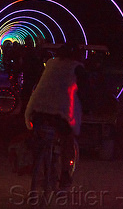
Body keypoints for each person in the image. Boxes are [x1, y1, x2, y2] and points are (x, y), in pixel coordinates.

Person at [25, 42, 88, 189]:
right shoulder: (77, 68)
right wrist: (87, 106)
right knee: (67, 139)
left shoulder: (50, 64)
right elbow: (85, 92)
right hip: (60, 113)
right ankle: (65, 174)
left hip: (37, 110)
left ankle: (37, 165)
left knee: (39, 138)